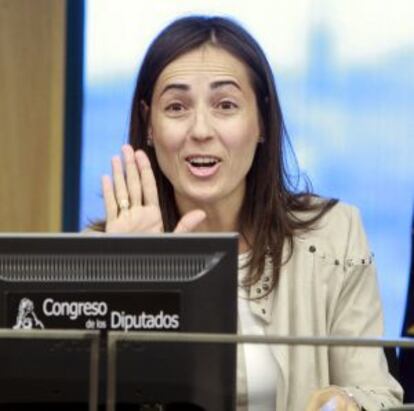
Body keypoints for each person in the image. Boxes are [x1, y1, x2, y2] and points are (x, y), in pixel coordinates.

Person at [91, 15, 403, 411]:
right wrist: (130, 286)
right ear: (148, 125)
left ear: (261, 122)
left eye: (225, 105)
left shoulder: (335, 235)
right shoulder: (107, 250)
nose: (200, 129)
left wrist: (344, 404)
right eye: (176, 106)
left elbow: (380, 395)